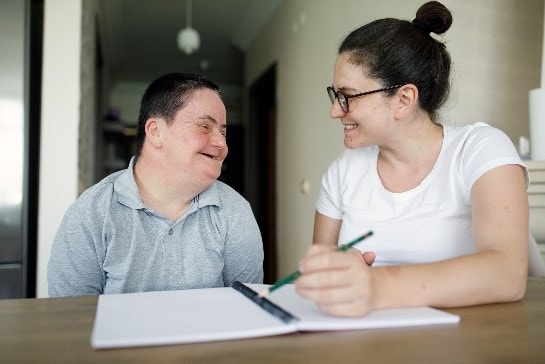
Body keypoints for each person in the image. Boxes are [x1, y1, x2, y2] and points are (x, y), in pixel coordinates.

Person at [294, 1, 529, 317]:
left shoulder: (481, 149)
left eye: (347, 97)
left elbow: (507, 274)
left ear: (404, 99)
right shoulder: (343, 171)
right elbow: (322, 274)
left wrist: (376, 285)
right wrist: (335, 275)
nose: (335, 111)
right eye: (335, 95)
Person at [48, 73, 264, 296]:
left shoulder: (235, 211)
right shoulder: (90, 213)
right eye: (205, 126)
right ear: (156, 132)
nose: (222, 144)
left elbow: (249, 309)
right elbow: (71, 319)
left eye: (223, 131)